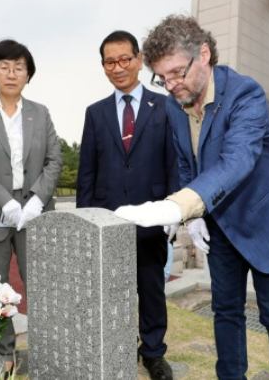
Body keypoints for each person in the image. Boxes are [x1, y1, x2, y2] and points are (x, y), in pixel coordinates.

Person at [116, 14, 269, 379]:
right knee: (225, 311)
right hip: (219, 224)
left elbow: (238, 160)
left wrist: (175, 207)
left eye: (177, 72)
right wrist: (195, 217)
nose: (171, 85)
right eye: (162, 77)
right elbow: (188, 166)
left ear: (203, 54)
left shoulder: (245, 93)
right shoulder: (176, 107)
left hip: (266, 222)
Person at [76, 30, 179, 380]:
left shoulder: (165, 107)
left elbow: (173, 163)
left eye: (124, 59)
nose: (117, 67)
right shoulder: (95, 113)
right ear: (103, 66)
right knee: (111, 288)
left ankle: (153, 352)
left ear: (138, 60)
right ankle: (117, 343)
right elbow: (87, 172)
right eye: (109, 62)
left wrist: (175, 211)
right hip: (107, 218)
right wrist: (84, 219)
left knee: (151, 288)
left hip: (151, 219)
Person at [0, 39, 63, 375]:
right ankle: (5, 351)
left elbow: (54, 159)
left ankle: (47, 348)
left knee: (41, 282)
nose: (11, 73)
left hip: (35, 210)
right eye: (3, 66)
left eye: (19, 67)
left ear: (28, 75)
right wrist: (4, 201)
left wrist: (35, 200)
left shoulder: (40, 113)